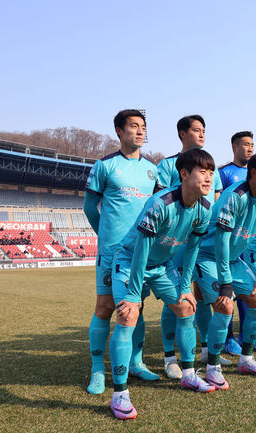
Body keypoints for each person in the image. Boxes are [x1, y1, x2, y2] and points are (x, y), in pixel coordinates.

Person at [108, 149, 216, 420]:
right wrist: (134, 294)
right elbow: (141, 249)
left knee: (186, 308)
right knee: (128, 314)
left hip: (163, 267)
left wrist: (184, 288)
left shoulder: (204, 208)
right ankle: (119, 394)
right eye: (202, 172)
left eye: (211, 173)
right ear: (184, 174)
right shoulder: (160, 203)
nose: (208, 178)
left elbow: (191, 250)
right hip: (130, 261)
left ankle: (189, 375)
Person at [82, 109, 158, 395]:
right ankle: (98, 368)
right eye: (134, 127)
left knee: (136, 308)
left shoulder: (153, 170)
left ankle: (136, 363)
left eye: (143, 127)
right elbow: (90, 207)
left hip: (142, 252)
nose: (140, 132)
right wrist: (106, 237)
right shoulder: (105, 166)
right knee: (104, 308)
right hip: (112, 252)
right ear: (119, 131)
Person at [193, 152, 256, 389]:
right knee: (225, 306)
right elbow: (221, 242)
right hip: (209, 257)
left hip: (233, 260)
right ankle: (212, 367)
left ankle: (246, 359)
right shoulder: (235, 196)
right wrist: (225, 281)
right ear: (254, 174)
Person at [155, 114, 225, 379]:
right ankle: (169, 357)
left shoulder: (211, 167)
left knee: (205, 297)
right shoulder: (167, 165)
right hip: (176, 243)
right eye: (196, 130)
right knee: (176, 299)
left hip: (202, 241)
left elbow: (214, 203)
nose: (202, 134)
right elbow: (161, 201)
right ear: (182, 134)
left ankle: (207, 350)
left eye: (204, 130)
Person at [217, 131, 255, 357]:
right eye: (246, 144)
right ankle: (227, 338)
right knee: (227, 292)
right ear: (234, 146)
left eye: (252, 144)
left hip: (248, 241)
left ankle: (243, 337)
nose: (250, 148)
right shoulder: (224, 172)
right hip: (228, 238)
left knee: (247, 292)